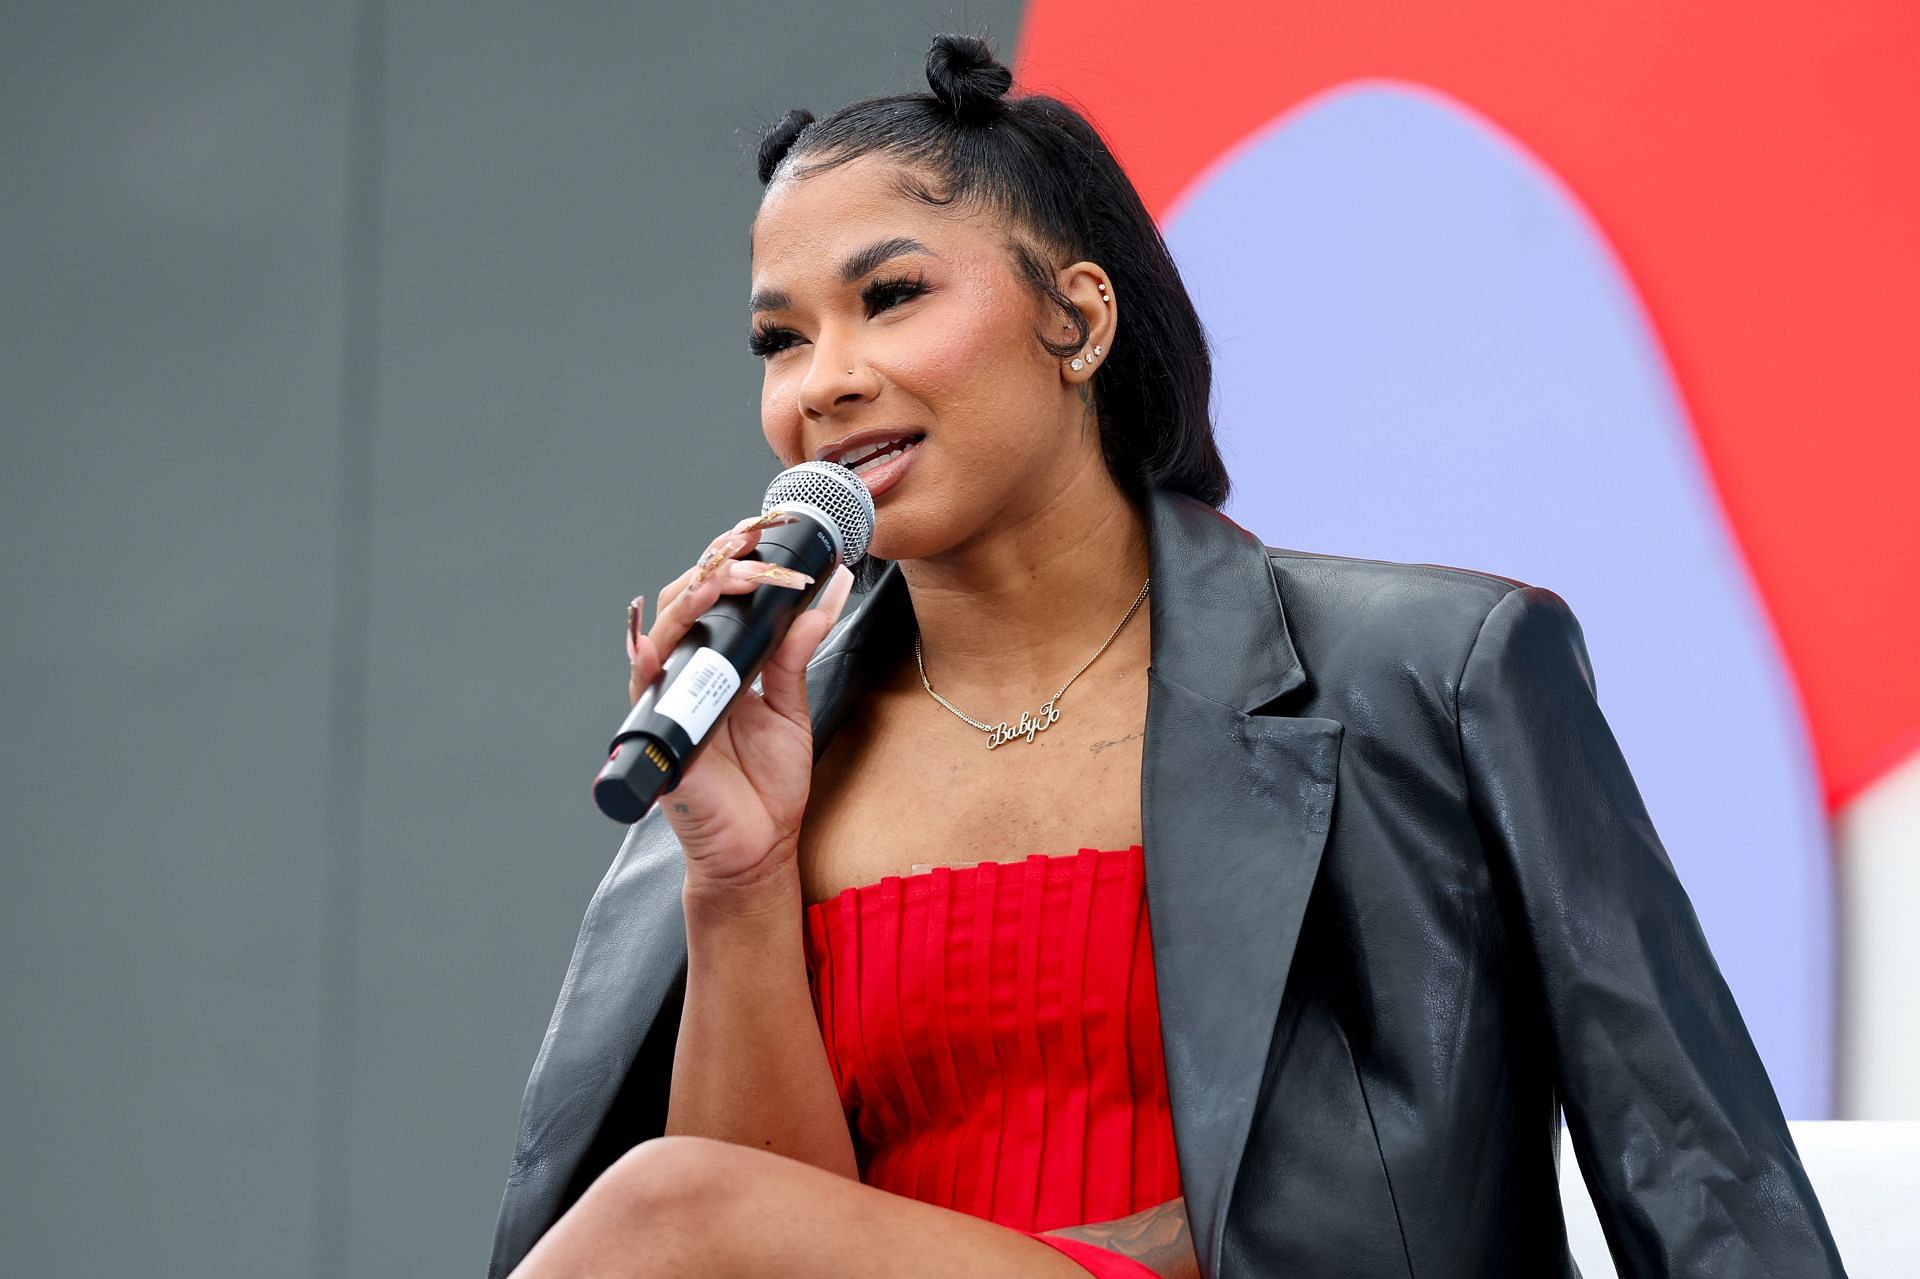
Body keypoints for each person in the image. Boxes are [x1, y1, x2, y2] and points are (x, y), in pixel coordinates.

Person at [488, 32, 1845, 1279]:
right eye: (779, 339)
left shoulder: (1437, 669)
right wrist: (738, 869)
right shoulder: (769, 761)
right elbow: (761, 1246)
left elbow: (1699, 1166)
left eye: (889, 297)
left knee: (664, 1209)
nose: (820, 382)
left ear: (1076, 319)